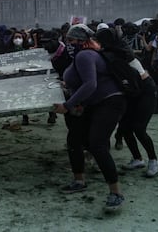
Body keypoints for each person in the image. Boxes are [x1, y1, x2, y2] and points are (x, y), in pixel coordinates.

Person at [53, 24, 127, 213]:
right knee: (75, 139)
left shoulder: (85, 55)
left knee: (97, 144)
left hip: (109, 102)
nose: (68, 43)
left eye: (71, 40)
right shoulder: (83, 54)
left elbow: (90, 84)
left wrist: (68, 106)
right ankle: (79, 180)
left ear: (80, 41)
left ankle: (116, 193)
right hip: (94, 104)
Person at [96, 28, 158, 177]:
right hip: (131, 93)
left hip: (145, 92)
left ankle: (153, 159)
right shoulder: (112, 52)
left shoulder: (121, 53)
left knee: (139, 128)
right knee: (124, 128)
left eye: (98, 41)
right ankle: (137, 159)